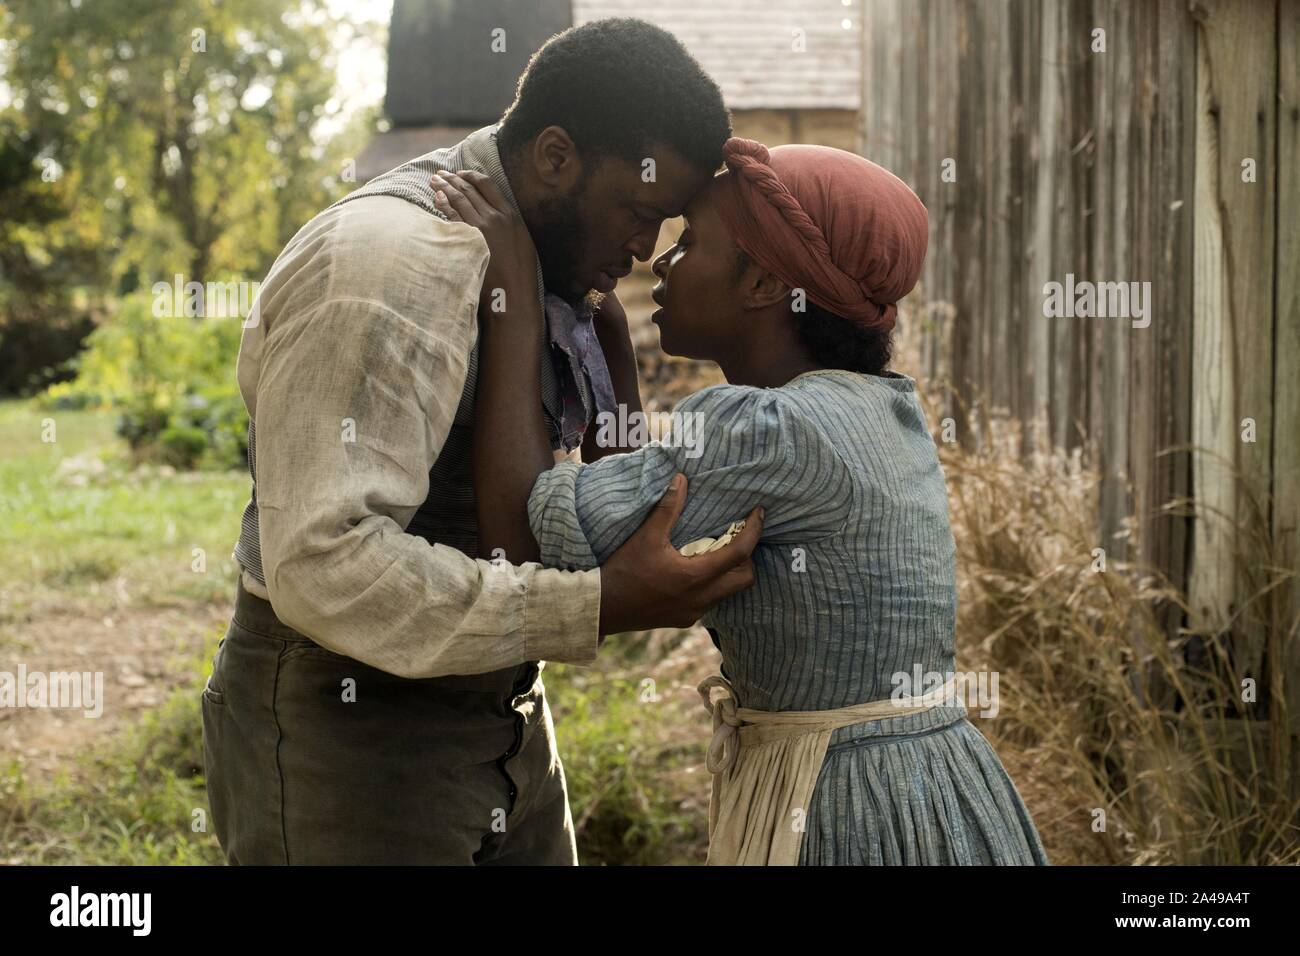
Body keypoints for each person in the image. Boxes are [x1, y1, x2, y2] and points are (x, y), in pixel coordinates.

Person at [201, 19, 763, 866]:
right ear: (554, 156)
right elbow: (325, 564)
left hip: (503, 714)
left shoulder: (545, 262)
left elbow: (581, 502)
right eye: (640, 213)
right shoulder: (390, 265)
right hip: (350, 737)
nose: (647, 250)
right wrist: (595, 605)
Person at [436, 136, 1051, 865]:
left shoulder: (764, 428)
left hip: (833, 808)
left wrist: (511, 303)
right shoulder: (881, 410)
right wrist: (608, 335)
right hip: (935, 793)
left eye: (691, 241)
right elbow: (641, 509)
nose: (660, 261)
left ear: (763, 284)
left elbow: (527, 535)